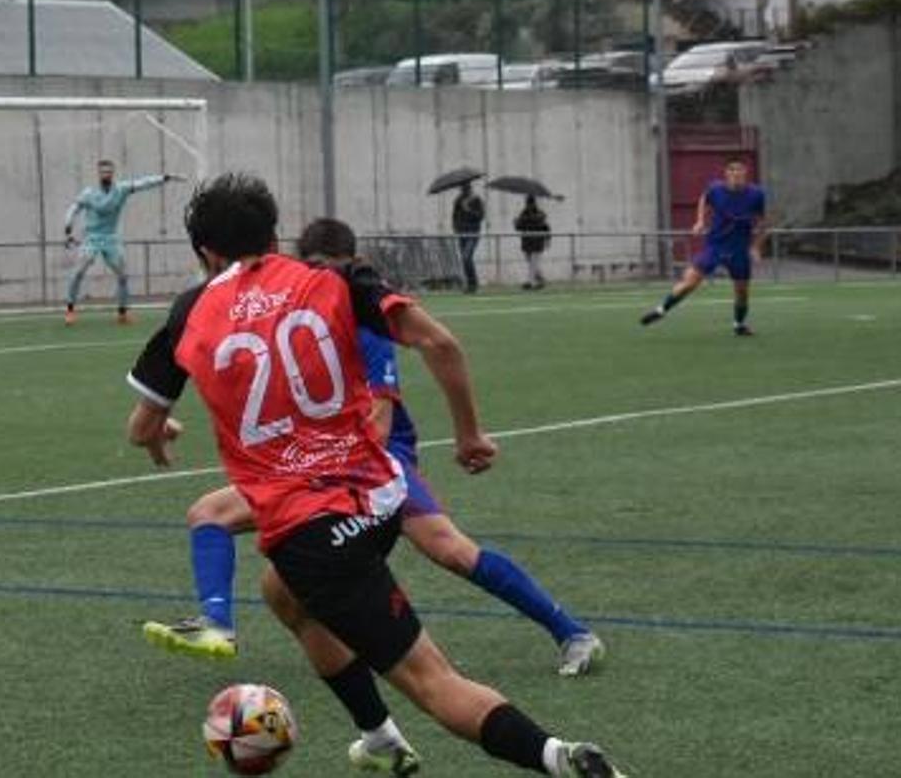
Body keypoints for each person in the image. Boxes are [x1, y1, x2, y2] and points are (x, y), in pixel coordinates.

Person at [125, 173, 626, 777]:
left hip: (313, 526)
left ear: (206, 253)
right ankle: (381, 738)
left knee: (435, 683)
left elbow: (143, 425)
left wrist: (160, 435)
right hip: (379, 494)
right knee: (282, 594)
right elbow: (440, 344)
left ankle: (562, 758)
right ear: (274, 233)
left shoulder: (190, 310)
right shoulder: (334, 279)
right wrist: (468, 433)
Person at [640, 158, 767, 335]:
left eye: (739, 170)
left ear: (745, 173)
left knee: (742, 292)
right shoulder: (716, 189)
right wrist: (699, 221)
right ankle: (661, 310)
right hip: (715, 245)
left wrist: (756, 246)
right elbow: (704, 198)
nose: (736, 173)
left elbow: (762, 222)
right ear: (726, 174)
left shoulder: (756, 194)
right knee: (689, 281)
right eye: (731, 170)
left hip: (739, 248)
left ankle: (739, 324)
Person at [63, 159, 185, 325]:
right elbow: (74, 208)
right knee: (79, 271)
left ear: (112, 173)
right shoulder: (89, 193)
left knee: (123, 275)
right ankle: (70, 309)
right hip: (91, 238)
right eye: (103, 172)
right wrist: (68, 228)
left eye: (109, 172)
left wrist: (164, 178)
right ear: (99, 174)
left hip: (111, 238)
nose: (106, 174)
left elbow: (143, 183)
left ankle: (122, 312)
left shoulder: (121, 189)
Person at [452, 181, 486, 293]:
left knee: (467, 257)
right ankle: (470, 284)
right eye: (462, 190)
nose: (464, 191)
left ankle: (473, 283)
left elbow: (481, 216)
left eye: (466, 189)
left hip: (473, 232)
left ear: (470, 189)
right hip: (462, 232)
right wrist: (456, 228)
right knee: (464, 259)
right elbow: (454, 216)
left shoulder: (477, 200)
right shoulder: (458, 200)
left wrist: (469, 210)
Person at [514, 195, 551, 290]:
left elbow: (543, 225)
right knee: (531, 262)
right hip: (527, 242)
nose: (529, 205)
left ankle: (529, 282)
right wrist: (516, 222)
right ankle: (541, 279)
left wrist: (548, 239)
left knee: (533, 262)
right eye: (528, 203)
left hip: (537, 241)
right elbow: (519, 227)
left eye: (530, 203)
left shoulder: (539, 213)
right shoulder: (523, 213)